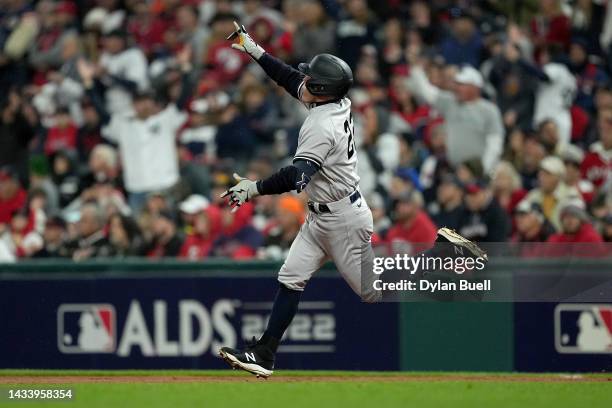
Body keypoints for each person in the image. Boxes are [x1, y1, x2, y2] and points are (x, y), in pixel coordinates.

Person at [217, 21, 487, 378]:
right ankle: (265, 353)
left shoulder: (321, 125)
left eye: (311, 79)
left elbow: (297, 176)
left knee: (372, 292)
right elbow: (287, 78)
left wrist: (254, 189)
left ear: (321, 88)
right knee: (291, 277)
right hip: (322, 215)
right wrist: (254, 49)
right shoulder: (335, 100)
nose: (304, 81)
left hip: (343, 218)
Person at [77, 46, 194, 213]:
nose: (143, 104)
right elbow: (102, 114)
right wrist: (89, 83)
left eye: (147, 100)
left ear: (153, 103)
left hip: (166, 187)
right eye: (139, 101)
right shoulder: (122, 125)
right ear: (133, 104)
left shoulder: (165, 119)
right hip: (137, 190)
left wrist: (185, 68)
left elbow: (183, 98)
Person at [407, 61, 504, 174]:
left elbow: (495, 143)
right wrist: (416, 70)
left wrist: (484, 168)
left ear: (475, 88)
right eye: (457, 84)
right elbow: (427, 92)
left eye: (462, 84)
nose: (457, 88)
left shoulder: (489, 110)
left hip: (478, 170)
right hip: (454, 169)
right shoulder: (450, 102)